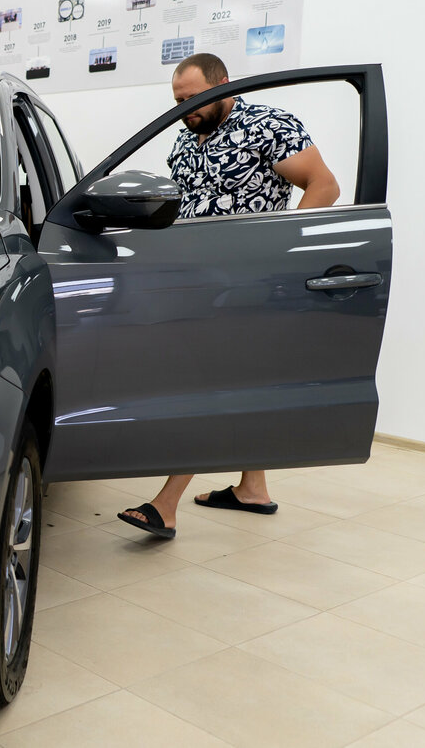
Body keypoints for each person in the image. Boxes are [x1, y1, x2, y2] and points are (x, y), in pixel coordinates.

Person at [118, 52, 339, 539]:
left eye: (195, 97)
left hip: (248, 284)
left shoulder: (268, 125)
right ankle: (252, 489)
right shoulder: (184, 138)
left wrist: (278, 254)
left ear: (224, 85)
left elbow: (324, 186)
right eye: (178, 100)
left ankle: (166, 505)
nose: (186, 108)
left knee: (211, 386)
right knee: (241, 382)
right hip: (198, 286)